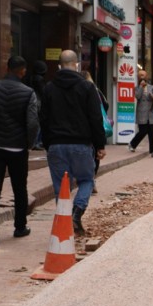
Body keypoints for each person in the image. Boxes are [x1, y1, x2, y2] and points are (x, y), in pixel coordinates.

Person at [40, 50, 106, 236]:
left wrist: (47, 144)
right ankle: (77, 211)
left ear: (59, 66)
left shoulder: (49, 88)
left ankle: (63, 225)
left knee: (61, 188)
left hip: (56, 145)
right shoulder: (87, 87)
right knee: (86, 180)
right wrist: (100, 145)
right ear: (76, 65)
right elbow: (95, 118)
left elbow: (43, 119)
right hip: (81, 144)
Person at [0, 56, 39, 245]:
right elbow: (32, 123)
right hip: (18, 147)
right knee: (19, 188)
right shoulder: (28, 93)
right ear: (23, 71)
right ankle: (20, 226)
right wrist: (29, 143)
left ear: (7, 68)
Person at [83, 70, 110, 194]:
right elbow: (106, 104)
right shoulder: (95, 90)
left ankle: (86, 180)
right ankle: (92, 180)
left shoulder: (77, 90)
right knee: (95, 155)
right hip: (94, 128)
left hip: (81, 129)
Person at [128, 69, 153, 157]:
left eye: (143, 75)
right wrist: (141, 87)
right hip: (141, 113)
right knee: (143, 131)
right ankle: (133, 144)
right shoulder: (136, 88)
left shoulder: (152, 87)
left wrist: (152, 96)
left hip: (151, 113)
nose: (142, 77)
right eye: (140, 75)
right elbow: (138, 96)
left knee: (152, 132)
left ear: (147, 76)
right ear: (138, 77)